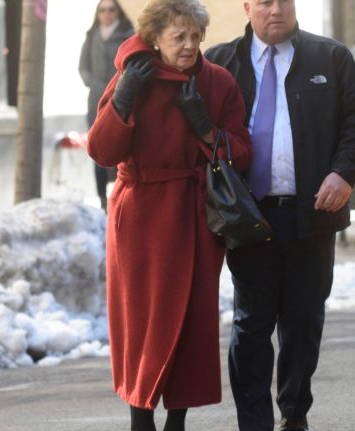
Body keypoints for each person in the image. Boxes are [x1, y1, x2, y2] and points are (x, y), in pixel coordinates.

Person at [205, 1, 355, 430]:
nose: (276, 10)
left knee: (302, 323)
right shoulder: (220, 63)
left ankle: (294, 415)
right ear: (247, 7)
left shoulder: (330, 57)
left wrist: (344, 173)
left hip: (313, 212)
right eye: (265, 2)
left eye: (284, 0)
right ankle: (255, 423)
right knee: (251, 324)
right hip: (247, 215)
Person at [87, 1, 252, 429]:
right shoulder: (132, 75)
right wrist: (123, 98)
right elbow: (101, 150)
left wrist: (205, 128)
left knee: (191, 320)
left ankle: (177, 421)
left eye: (196, 36)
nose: (189, 45)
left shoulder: (217, 82)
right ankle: (139, 417)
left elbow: (242, 152)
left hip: (195, 215)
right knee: (139, 320)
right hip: (139, 216)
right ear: (155, 38)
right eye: (179, 37)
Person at [79, 0, 134, 210]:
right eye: (102, 10)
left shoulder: (128, 35)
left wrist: (119, 87)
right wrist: (93, 84)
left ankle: (122, 197)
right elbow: (83, 67)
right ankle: (102, 199)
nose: (107, 14)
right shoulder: (91, 36)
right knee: (97, 149)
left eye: (111, 10)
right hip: (95, 102)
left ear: (118, 12)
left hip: (121, 101)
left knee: (122, 150)